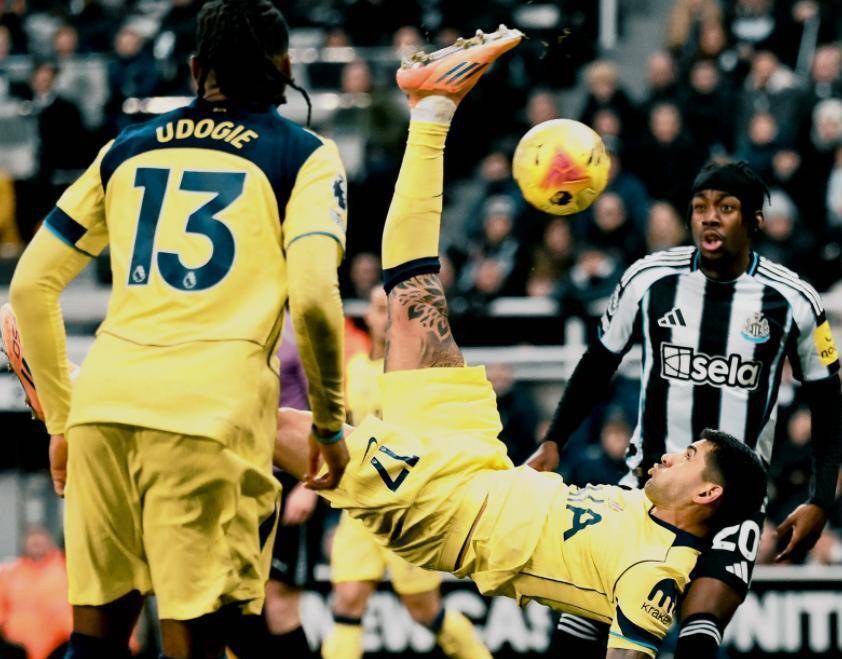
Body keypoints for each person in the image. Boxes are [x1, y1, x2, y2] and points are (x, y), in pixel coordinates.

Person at [273, 28, 768, 659]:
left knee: (272, 422)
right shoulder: (637, 506)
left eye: (690, 455)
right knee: (414, 290)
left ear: (707, 494)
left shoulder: (657, 574)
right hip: (482, 461)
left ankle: (182, 405)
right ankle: (432, 108)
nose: (672, 455)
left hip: (443, 510)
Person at [5, 0, 350, 657]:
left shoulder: (125, 148)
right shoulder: (304, 155)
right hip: (208, 421)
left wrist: (62, 419)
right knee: (199, 639)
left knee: (96, 642)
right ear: (286, 68)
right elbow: (313, 298)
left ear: (195, 70)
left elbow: (28, 287)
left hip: (104, 411)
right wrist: (329, 426)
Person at [530, 160, 842, 658]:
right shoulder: (648, 278)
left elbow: (828, 403)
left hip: (733, 501)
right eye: (700, 208)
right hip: (645, 486)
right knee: (581, 622)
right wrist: (553, 440)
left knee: (701, 624)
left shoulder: (794, 299)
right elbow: (597, 364)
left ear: (755, 221)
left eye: (726, 207)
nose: (709, 217)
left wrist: (820, 498)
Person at [323, 287, 490, 659]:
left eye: (391, 310)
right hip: (361, 501)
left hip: (405, 503)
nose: (384, 318)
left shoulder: (417, 370)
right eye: (377, 309)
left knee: (423, 609)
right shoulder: (353, 369)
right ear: (367, 317)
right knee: (347, 600)